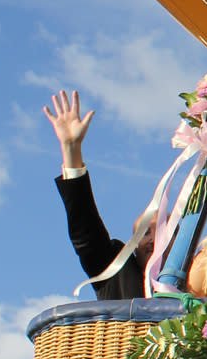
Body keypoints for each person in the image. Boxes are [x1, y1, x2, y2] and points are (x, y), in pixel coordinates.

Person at [44, 90, 147, 300]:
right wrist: (71, 149)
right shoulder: (116, 268)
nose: (154, 239)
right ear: (134, 245)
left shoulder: (193, 280)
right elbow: (86, 232)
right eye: (145, 233)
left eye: (165, 231)